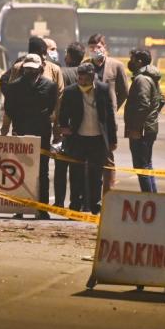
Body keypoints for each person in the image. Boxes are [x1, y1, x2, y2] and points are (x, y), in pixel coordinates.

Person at [1, 53, 58, 216]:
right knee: (21, 170)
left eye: (33, 70)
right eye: (27, 69)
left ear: (40, 68)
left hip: (42, 133)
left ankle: (42, 208)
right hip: (21, 132)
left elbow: (51, 107)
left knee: (43, 171)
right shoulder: (14, 86)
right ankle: (19, 207)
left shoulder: (50, 86)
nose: (30, 72)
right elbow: (9, 108)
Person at [58, 63, 117, 215]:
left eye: (85, 79)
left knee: (96, 174)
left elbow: (109, 115)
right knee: (76, 173)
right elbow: (63, 112)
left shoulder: (103, 89)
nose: (81, 81)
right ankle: (75, 205)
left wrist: (112, 140)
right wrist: (64, 127)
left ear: (92, 77)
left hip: (97, 138)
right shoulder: (71, 91)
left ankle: (94, 204)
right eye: (80, 78)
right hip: (78, 138)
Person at [86, 34, 129, 192]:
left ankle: (108, 194)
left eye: (98, 46)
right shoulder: (85, 65)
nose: (95, 50)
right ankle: (91, 196)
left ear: (105, 48)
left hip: (107, 120)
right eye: (92, 47)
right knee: (89, 159)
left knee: (107, 158)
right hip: (88, 118)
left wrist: (113, 108)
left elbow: (124, 92)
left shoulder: (116, 66)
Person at [124, 49, 165, 193]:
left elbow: (143, 105)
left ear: (139, 61)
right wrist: (152, 117)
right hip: (147, 128)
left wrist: (137, 128)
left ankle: (149, 198)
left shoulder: (142, 79)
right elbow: (162, 100)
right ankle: (153, 198)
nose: (130, 62)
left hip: (141, 130)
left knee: (142, 167)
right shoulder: (150, 78)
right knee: (146, 165)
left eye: (132, 59)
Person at [53, 41, 85, 209]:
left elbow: (57, 101)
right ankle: (75, 203)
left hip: (63, 125)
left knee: (60, 167)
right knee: (77, 168)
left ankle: (59, 202)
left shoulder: (61, 73)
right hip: (80, 128)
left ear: (70, 56)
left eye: (66, 53)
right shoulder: (86, 74)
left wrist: (57, 127)